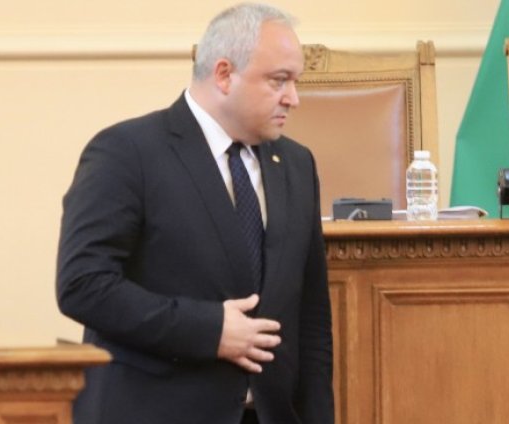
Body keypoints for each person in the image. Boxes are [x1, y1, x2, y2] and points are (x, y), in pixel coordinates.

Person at [56, 3, 333, 423]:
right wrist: (208, 329)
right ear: (224, 74)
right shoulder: (126, 152)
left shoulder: (296, 164)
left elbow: (312, 320)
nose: (293, 98)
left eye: (295, 82)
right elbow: (83, 284)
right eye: (279, 81)